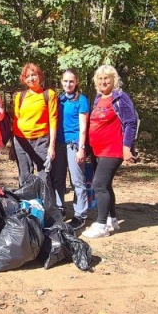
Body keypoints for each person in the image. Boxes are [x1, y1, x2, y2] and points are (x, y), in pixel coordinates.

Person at [81, 64, 138, 239]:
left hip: (112, 149)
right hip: (98, 150)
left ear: (114, 80)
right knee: (106, 185)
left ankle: (101, 225)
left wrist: (127, 147)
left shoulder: (120, 97)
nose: (104, 81)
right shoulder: (98, 99)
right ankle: (112, 219)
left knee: (98, 185)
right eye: (100, 78)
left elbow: (131, 122)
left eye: (107, 78)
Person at [51, 69, 91, 227]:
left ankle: (80, 214)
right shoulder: (59, 100)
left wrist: (81, 148)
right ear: (61, 82)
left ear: (76, 83)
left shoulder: (81, 100)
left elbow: (83, 127)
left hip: (74, 144)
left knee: (77, 181)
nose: (68, 84)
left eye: (71, 81)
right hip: (59, 144)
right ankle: (60, 208)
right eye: (66, 81)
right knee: (58, 179)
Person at [10, 63, 58, 186]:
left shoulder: (49, 94)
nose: (31, 78)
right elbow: (16, 121)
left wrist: (52, 146)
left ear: (39, 76)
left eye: (34, 75)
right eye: (27, 76)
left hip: (41, 140)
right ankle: (26, 204)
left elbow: (53, 120)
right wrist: (12, 146)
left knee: (43, 175)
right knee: (24, 175)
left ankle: (42, 203)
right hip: (21, 141)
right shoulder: (20, 96)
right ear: (24, 79)